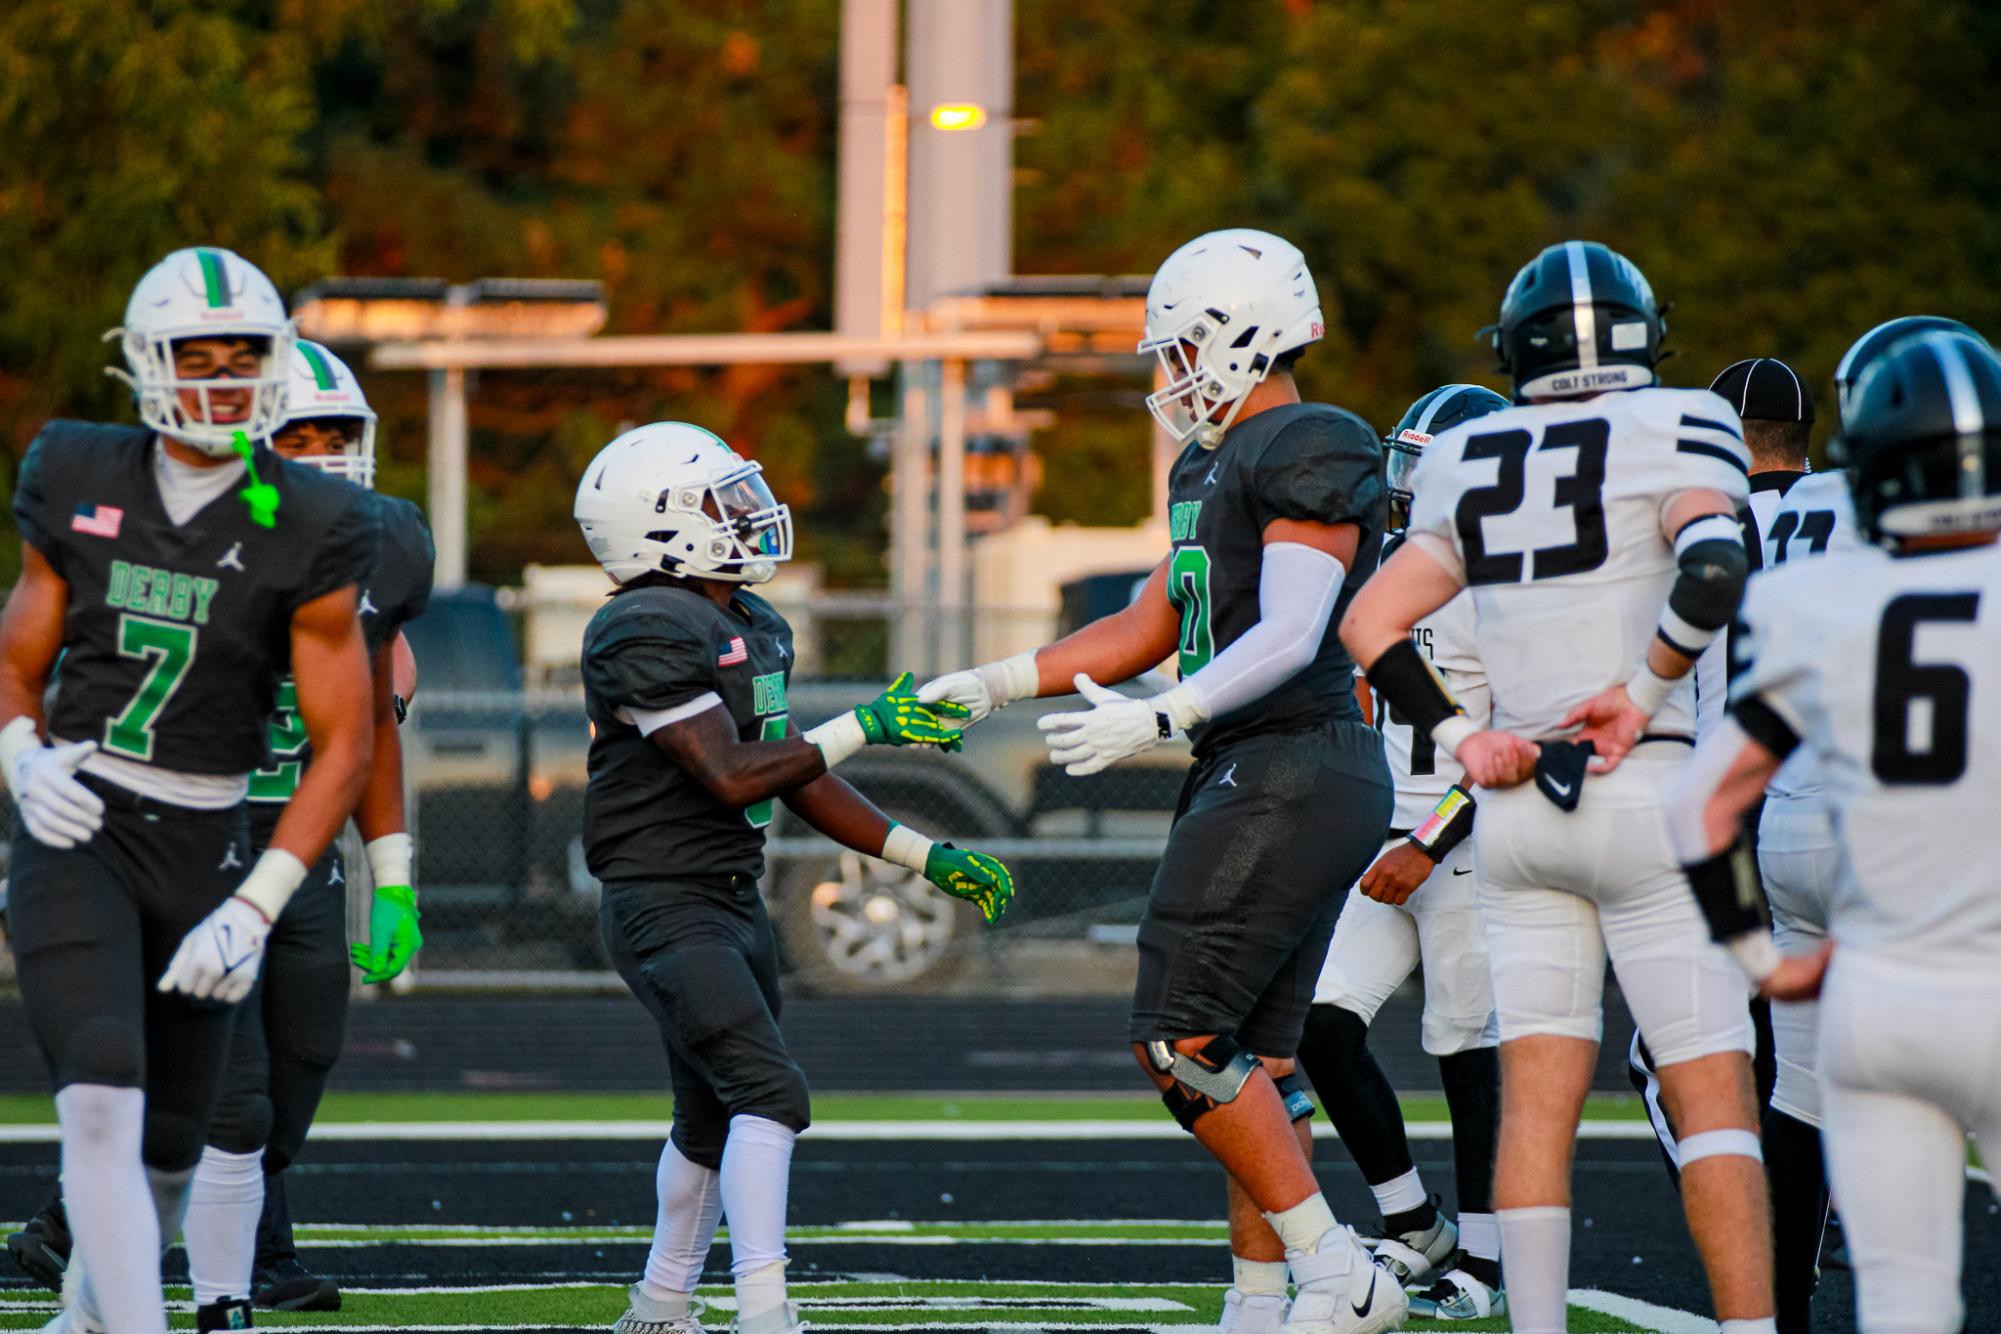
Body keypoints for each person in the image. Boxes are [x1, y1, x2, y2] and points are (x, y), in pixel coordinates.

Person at [922, 228, 1401, 1334]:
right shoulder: (1212, 462)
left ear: (1243, 336)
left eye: (1179, 348)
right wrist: (995, 681)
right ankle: (1262, 1295)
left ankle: (1340, 1269)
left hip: (1294, 757)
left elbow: (1291, 628)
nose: (1165, 375)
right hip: (1270, 762)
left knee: (1177, 1036)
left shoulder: (1308, 440)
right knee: (1253, 1057)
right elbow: (1153, 619)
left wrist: (1168, 712)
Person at [1340, 241, 1775, 1334]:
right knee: (1712, 1099)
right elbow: (1715, 569)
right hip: (1647, 785)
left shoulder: (1468, 455)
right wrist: (1639, 688)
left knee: (1537, 1101)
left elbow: (1371, 625)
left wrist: (1457, 734)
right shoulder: (1685, 423)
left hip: (1521, 808)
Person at [5, 342, 433, 1327]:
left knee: (289, 1078)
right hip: (190, 825)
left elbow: (371, 724)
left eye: (341, 438)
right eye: (301, 438)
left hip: (303, 833)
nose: (325, 459)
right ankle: (212, 1298)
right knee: (223, 1098)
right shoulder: (167, 533)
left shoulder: (387, 544)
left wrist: (393, 870)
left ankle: (86, 1240)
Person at [573, 422, 1015, 1334]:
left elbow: (792, 768)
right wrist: (866, 720)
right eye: (718, 501)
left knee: (706, 1114)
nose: (746, 513)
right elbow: (730, 773)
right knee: (770, 1095)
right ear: (657, 527)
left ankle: (660, 1303)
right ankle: (765, 1307)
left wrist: (922, 854)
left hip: (731, 894)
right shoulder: (643, 625)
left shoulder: (745, 618)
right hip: (663, 899)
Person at [1668, 327, 2001, 1334]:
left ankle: (1775, 1313)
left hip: (1850, 925)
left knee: (1896, 1281)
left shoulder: (1817, 593)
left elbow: (1702, 801)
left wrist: (1755, 957)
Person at [1297, 384, 1509, 1322]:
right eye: (1407, 463)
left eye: (1428, 467)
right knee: (1321, 1026)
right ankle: (1414, 1222)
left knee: (1468, 1054)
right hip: (1389, 838)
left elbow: (1516, 746)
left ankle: (1491, 1258)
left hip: (1468, 842)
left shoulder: (1508, 582)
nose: (1407, 484)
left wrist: (1427, 843)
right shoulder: (1389, 563)